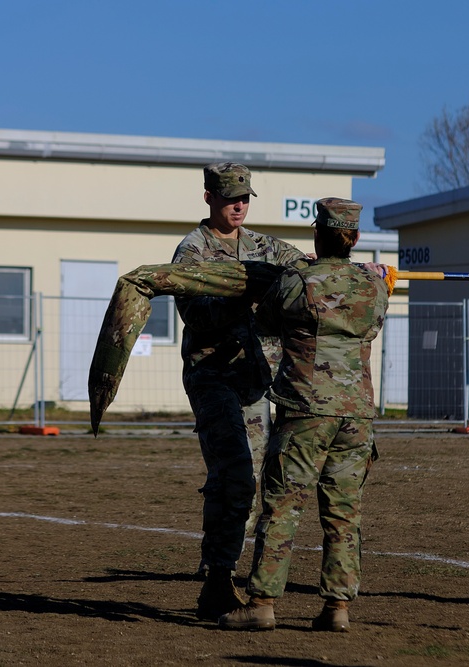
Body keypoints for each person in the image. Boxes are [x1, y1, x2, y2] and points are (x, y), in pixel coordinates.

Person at [219, 197, 390, 632]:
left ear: (318, 233)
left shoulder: (297, 280)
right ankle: (337, 608)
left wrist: (307, 274)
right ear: (354, 238)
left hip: (304, 410)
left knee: (281, 508)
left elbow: (269, 321)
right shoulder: (374, 286)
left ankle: (262, 603)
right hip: (356, 415)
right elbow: (374, 324)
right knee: (343, 513)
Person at [171, 162, 308, 620]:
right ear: (208, 196)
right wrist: (246, 292)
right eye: (231, 198)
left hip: (252, 379)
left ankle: (223, 564)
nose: (239, 206)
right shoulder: (192, 250)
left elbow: (309, 270)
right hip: (212, 377)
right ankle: (217, 575)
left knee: (249, 481)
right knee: (232, 470)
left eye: (245, 198)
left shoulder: (264, 246)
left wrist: (358, 270)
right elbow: (197, 313)